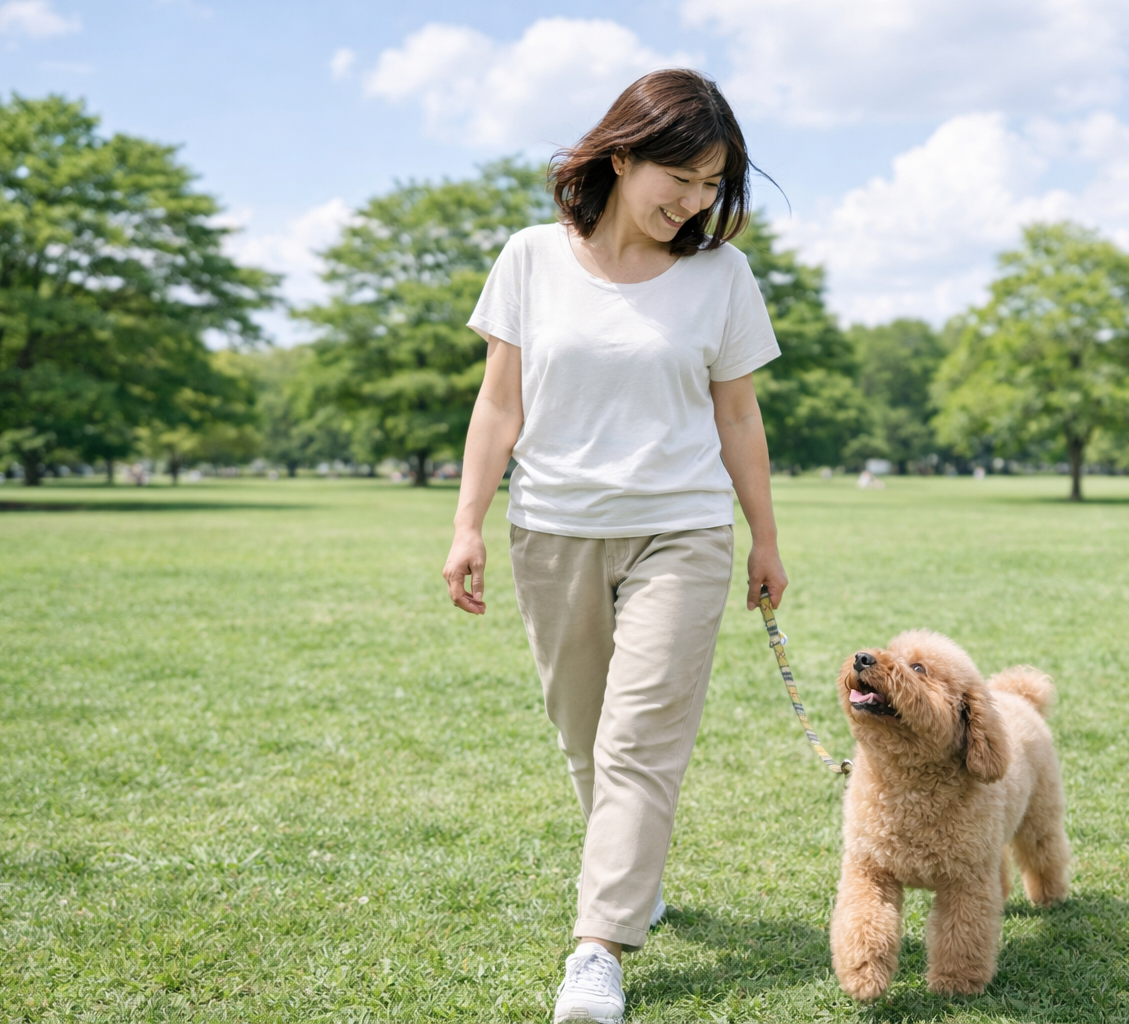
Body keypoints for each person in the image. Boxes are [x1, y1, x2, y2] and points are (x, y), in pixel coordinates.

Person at [441, 69, 785, 1024]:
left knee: (640, 743)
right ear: (623, 155)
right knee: (585, 738)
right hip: (551, 531)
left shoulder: (721, 278)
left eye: (714, 185)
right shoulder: (529, 258)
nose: (695, 202)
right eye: (681, 176)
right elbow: (499, 402)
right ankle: (632, 879)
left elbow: (739, 417)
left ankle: (598, 951)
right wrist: (466, 522)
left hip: (683, 531)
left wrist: (765, 538)